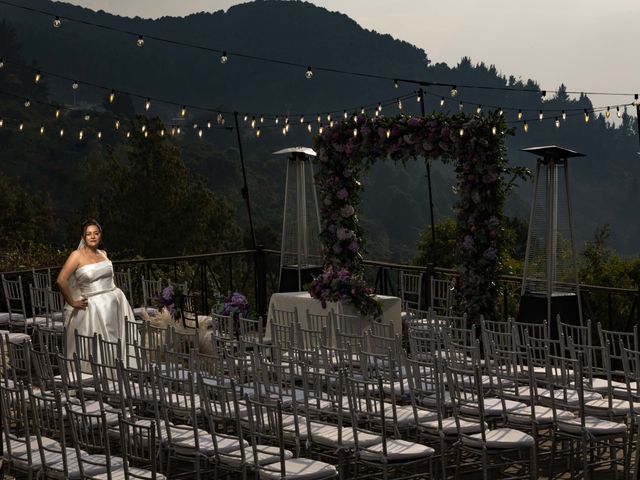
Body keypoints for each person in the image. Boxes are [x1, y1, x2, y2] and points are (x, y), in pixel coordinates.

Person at [57, 219, 136, 367]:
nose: (92, 236)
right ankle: (102, 378)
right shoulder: (76, 255)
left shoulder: (103, 253)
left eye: (96, 233)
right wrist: (72, 302)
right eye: (88, 234)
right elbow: (61, 280)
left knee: (118, 339)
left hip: (116, 303)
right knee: (100, 345)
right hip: (93, 308)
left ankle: (121, 374)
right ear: (83, 237)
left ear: (100, 236)